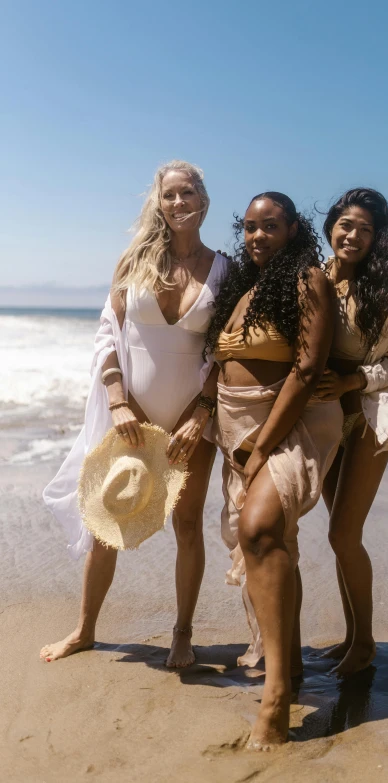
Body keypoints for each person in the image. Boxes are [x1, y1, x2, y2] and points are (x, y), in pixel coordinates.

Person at [41, 160, 229, 668]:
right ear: (158, 202)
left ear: (204, 201)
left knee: (188, 525)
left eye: (187, 193)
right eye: (169, 195)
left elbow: (227, 350)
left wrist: (202, 413)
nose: (178, 203)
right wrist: (120, 400)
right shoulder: (134, 261)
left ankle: (182, 636)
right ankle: (84, 630)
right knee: (110, 519)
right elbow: (107, 333)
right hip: (131, 417)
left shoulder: (224, 269)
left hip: (195, 422)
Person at [205, 192, 343, 748]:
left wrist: (263, 445)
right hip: (237, 428)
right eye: (250, 227)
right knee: (272, 540)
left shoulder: (307, 280)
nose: (258, 236)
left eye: (271, 226)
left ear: (293, 230)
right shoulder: (245, 288)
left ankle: (277, 698)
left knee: (259, 529)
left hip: (289, 423)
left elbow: (308, 369)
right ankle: (291, 663)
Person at [315, 187, 388, 675]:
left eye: (365, 229)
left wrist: (356, 378)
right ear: (331, 226)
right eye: (346, 224)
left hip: (366, 421)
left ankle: (365, 643)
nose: (353, 235)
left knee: (343, 534)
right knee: (338, 535)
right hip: (322, 421)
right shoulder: (311, 279)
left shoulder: (386, 295)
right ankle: (353, 635)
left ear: (378, 239)